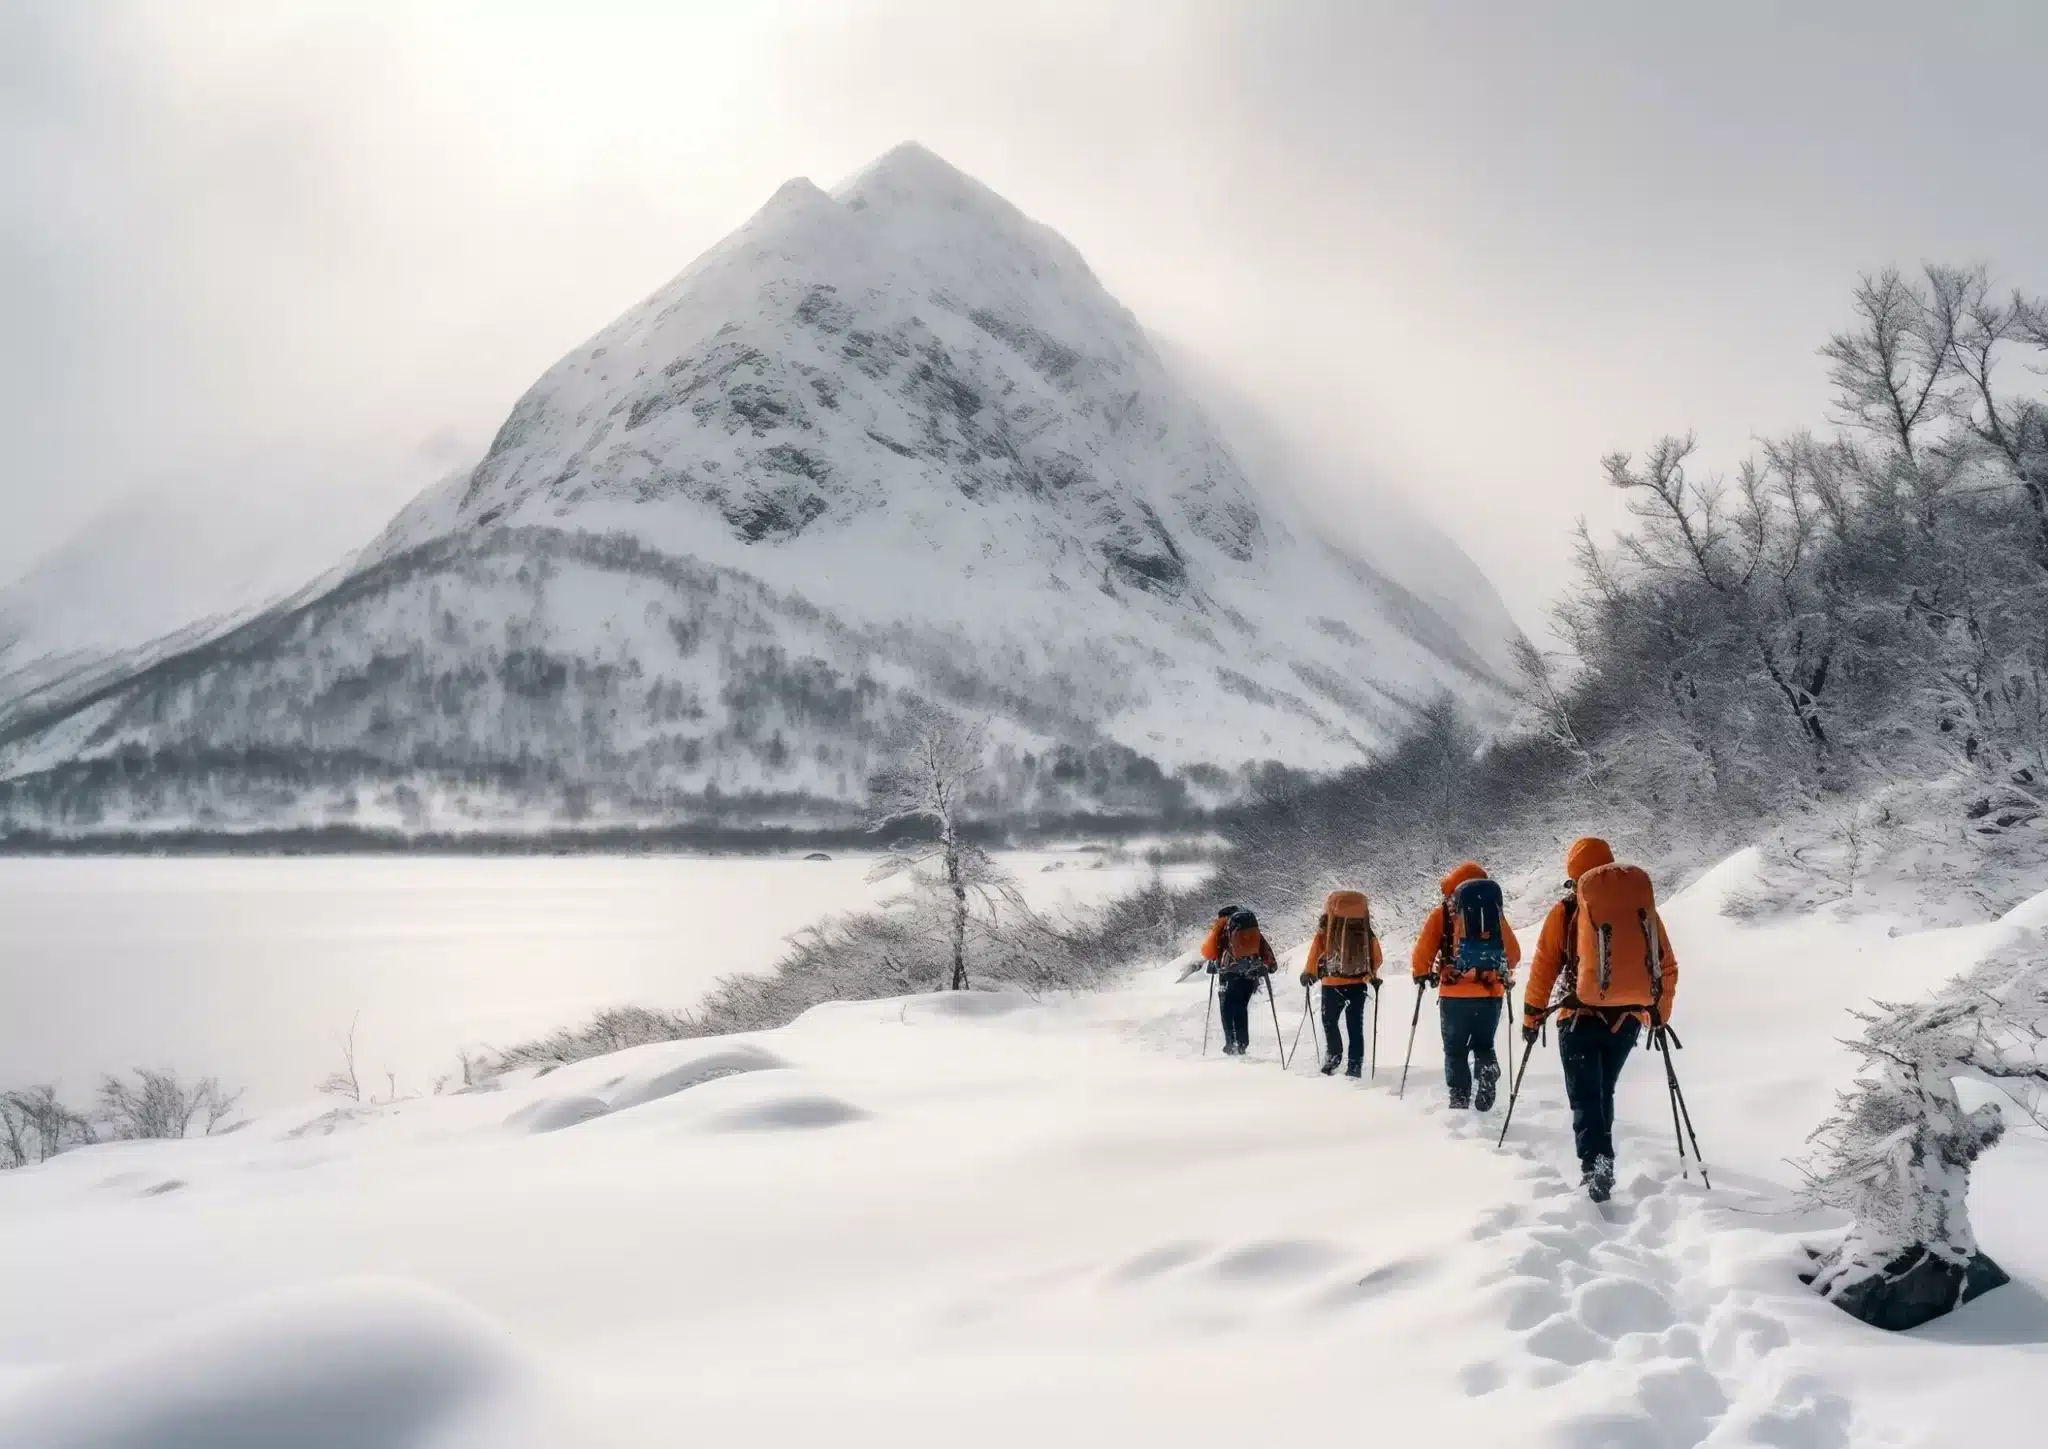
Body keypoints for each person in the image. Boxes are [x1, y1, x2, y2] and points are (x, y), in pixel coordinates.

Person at [1520, 837, 1681, 1202]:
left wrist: (1532, 1016)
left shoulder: (1567, 911)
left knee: (1585, 1097)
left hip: (1579, 1017)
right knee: (1602, 1090)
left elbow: (1545, 967)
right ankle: (1601, 1159)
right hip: (1628, 1021)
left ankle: (1596, 1165)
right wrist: (1658, 1014)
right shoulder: (1642, 911)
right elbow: (1666, 964)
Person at [1411, 862, 1521, 1111]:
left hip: (1454, 995)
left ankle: (1459, 1099)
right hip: (1490, 994)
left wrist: (1421, 974)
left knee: (1455, 1050)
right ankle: (1487, 1070)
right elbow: (1513, 954)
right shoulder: (1494, 914)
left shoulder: (1443, 913)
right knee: (1484, 1044)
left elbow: (1423, 951)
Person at [1300, 891, 1383, 1077]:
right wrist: (1370, 975)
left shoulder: (1327, 927)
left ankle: (1334, 1057)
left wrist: (1310, 972)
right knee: (1355, 1027)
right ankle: (1354, 1066)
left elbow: (1316, 951)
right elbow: (1377, 957)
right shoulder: (1364, 929)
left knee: (1330, 1022)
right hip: (1358, 984)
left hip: (1332, 983)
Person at [1202, 906, 1277, 1056]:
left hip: (1230, 974)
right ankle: (1242, 1043)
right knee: (1241, 1007)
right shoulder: (1249, 926)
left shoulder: (1223, 927)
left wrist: (1212, 962)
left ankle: (1231, 1042)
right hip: (1250, 974)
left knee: (1227, 1008)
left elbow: (1208, 951)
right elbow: (1264, 948)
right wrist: (1270, 964)